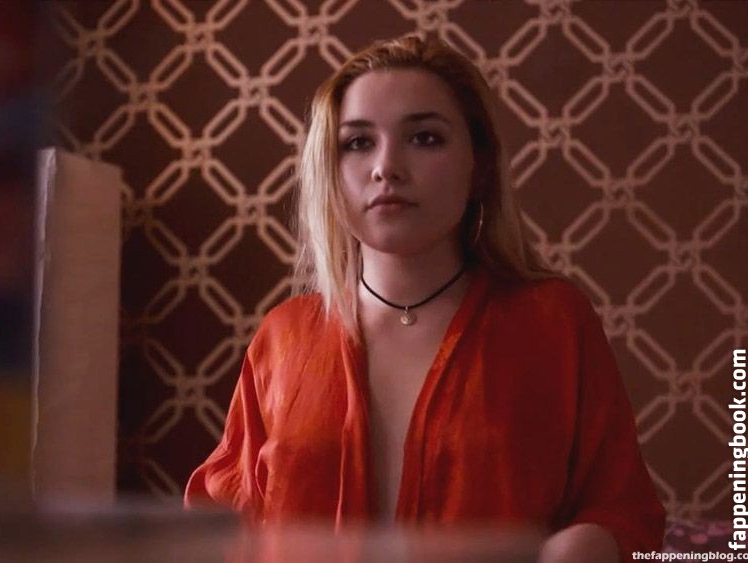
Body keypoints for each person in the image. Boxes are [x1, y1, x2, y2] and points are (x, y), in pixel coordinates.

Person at [184, 34, 665, 561]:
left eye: (425, 138)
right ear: (329, 169)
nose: (386, 167)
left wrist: (590, 543)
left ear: (479, 168)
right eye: (357, 143)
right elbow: (219, 518)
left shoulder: (553, 321)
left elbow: (625, 512)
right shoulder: (284, 336)